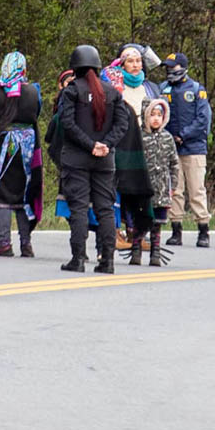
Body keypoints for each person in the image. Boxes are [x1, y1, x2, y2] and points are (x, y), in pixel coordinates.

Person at [59, 45, 128, 274]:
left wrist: (90, 145)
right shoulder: (112, 92)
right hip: (104, 161)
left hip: (76, 159)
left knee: (78, 208)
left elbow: (67, 124)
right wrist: (105, 145)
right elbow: (122, 125)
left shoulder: (71, 91)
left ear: (75, 66)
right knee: (105, 209)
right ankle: (107, 261)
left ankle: (78, 259)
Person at [0, 51, 43, 258]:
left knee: (0, 189)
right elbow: (35, 114)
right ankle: (26, 244)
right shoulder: (33, 92)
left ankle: (4, 242)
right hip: (26, 148)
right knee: (23, 192)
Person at [102, 44, 160, 253]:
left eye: (137, 61)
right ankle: (115, 232)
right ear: (122, 64)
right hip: (122, 141)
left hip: (144, 142)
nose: (135, 65)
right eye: (130, 62)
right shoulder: (114, 85)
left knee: (138, 189)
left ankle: (136, 233)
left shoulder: (150, 87)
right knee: (118, 187)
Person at [160, 52, 212, 247]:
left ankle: (203, 230)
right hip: (171, 148)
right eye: (167, 67)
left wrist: (184, 134)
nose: (169, 70)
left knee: (196, 190)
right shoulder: (162, 89)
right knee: (175, 190)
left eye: (172, 67)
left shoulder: (197, 89)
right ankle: (176, 230)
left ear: (182, 67)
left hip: (194, 148)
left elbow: (203, 119)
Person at [134, 98, 178, 266]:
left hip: (161, 189)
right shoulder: (138, 136)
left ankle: (155, 252)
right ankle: (136, 249)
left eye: (159, 115)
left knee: (157, 224)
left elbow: (174, 163)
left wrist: (172, 186)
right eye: (152, 115)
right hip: (142, 189)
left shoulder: (167, 138)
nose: (156, 119)